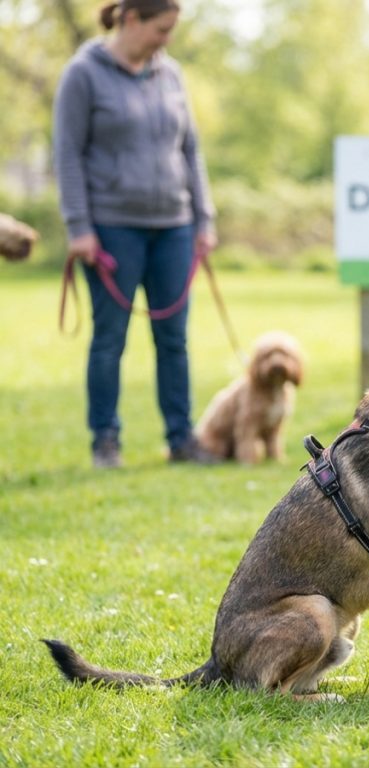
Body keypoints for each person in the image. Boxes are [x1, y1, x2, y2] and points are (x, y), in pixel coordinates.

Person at [54, 0, 220, 468]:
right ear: (131, 19)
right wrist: (79, 227)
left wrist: (203, 220)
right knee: (110, 338)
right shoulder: (83, 74)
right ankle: (105, 440)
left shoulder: (170, 74)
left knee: (175, 339)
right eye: (161, 29)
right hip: (111, 227)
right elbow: (67, 154)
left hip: (174, 226)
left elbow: (191, 151)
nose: (166, 39)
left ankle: (180, 438)